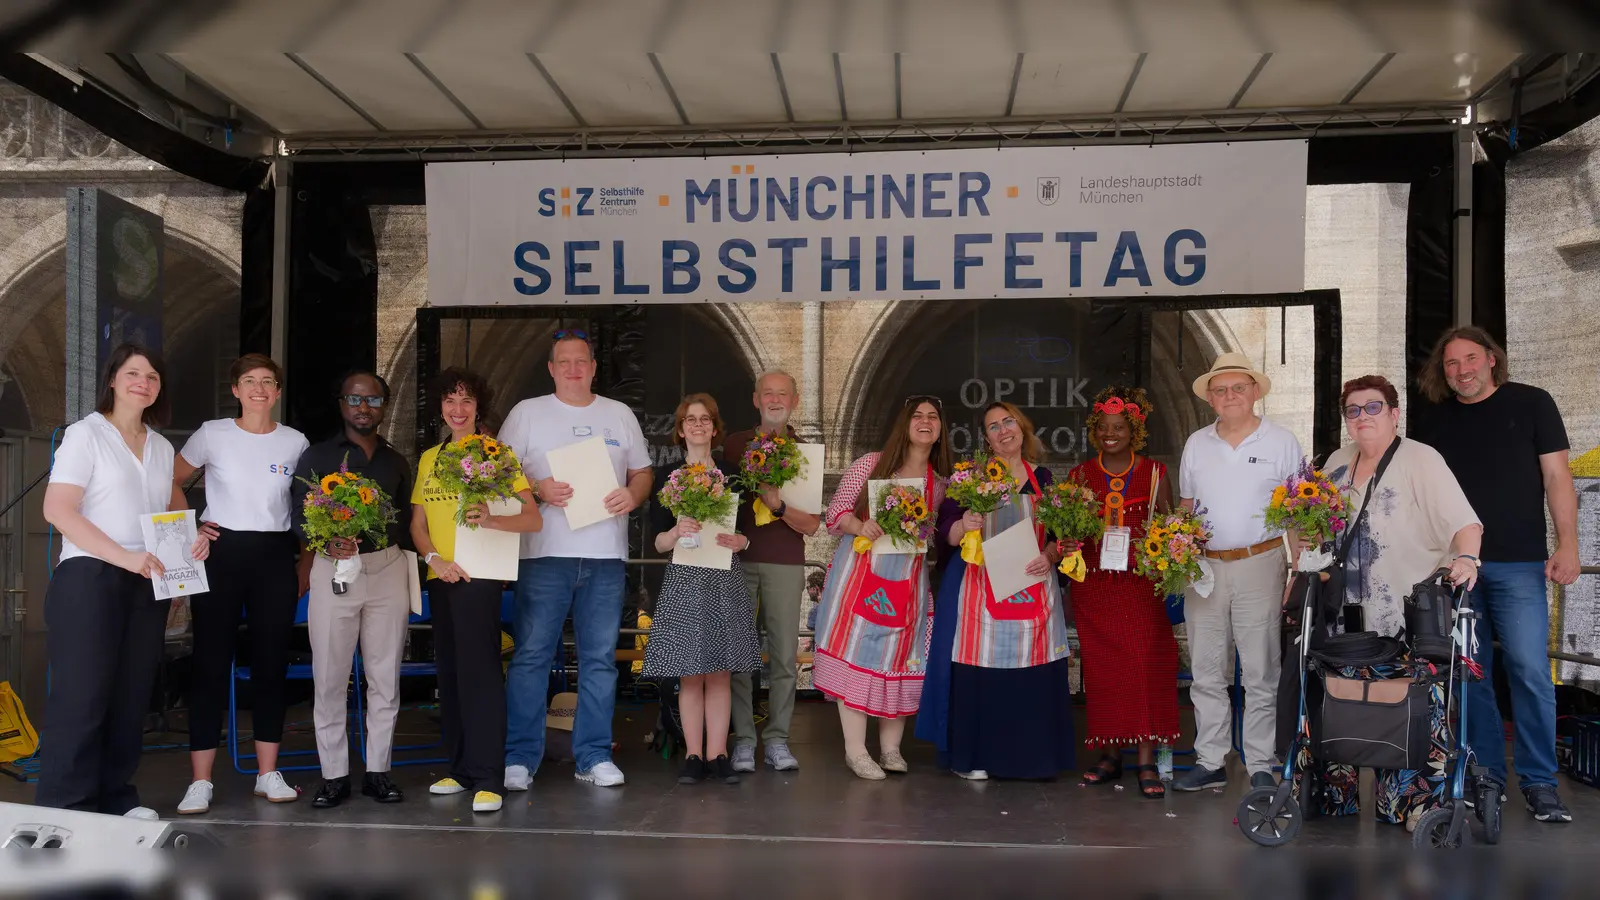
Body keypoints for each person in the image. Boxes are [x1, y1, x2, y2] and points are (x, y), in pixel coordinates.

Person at [1296, 374, 1482, 828]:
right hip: (1342, 620)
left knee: (1404, 710)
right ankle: (1333, 801)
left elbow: (1466, 523)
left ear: (1395, 413)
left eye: (1373, 407)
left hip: (1404, 619)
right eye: (1353, 410)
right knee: (1341, 704)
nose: (1363, 417)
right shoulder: (1335, 463)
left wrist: (1466, 559)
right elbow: (1315, 530)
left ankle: (1411, 809)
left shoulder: (1422, 460)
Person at [1414, 326, 1580, 823]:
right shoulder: (1433, 420)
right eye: (1450, 364)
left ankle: (1539, 783)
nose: (1461, 370)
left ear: (1491, 359)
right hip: (1455, 569)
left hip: (1519, 563)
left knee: (1530, 671)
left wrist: (1567, 544)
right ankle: (1484, 775)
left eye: (1470, 359)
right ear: (1441, 372)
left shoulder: (1533, 403)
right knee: (1469, 677)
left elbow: (1557, 477)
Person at [36, 344, 186, 820]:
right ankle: (66, 808)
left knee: (130, 696)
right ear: (113, 379)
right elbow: (57, 509)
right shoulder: (86, 435)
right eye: (133, 373)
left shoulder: (162, 448)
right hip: (90, 576)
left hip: (145, 581)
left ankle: (116, 798)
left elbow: (164, 518)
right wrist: (122, 556)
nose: (143, 382)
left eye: (153, 376)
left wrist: (189, 544)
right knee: (81, 698)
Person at [499, 330, 652, 790]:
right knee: (530, 657)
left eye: (580, 361)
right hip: (545, 555)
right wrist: (537, 489)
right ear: (551, 368)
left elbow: (642, 471)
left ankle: (593, 756)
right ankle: (520, 758)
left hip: (605, 556)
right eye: (563, 361)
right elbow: (499, 471)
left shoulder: (619, 414)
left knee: (600, 660)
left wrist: (633, 492)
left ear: (593, 367)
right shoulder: (527, 413)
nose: (572, 369)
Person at [172, 354, 310, 815]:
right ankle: (201, 780)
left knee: (272, 665)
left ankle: (267, 773)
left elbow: (311, 507)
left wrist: (306, 562)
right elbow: (171, 480)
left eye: (267, 381)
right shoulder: (213, 433)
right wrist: (188, 527)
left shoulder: (295, 442)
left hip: (274, 556)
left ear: (277, 391)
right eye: (248, 381)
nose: (258, 388)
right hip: (221, 553)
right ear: (235, 389)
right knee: (211, 664)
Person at [410, 368, 541, 814]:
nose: (458, 409)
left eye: (466, 400)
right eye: (450, 400)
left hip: (479, 576)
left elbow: (532, 518)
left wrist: (491, 518)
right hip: (440, 576)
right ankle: (460, 769)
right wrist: (434, 560)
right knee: (449, 674)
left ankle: (489, 777)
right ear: (440, 407)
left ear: (478, 406)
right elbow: (418, 523)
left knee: (481, 675)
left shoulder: (496, 453)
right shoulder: (430, 457)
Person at [922, 401, 1072, 781]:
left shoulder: (1044, 479)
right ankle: (975, 757)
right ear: (986, 439)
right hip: (977, 589)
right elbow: (945, 529)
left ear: (1022, 428)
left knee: (1031, 672)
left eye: (1009, 422)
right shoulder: (970, 478)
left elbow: (1060, 538)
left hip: (1032, 585)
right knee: (978, 671)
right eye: (993, 427)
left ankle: (1032, 759)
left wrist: (1051, 555)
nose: (1004, 430)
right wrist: (965, 523)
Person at [1174, 352, 1302, 793]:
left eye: (1238, 387)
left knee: (1261, 668)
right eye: (1221, 389)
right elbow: (1186, 510)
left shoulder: (1281, 442)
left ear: (1254, 392)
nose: (1229, 395)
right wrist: (1180, 556)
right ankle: (1210, 760)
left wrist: (1297, 569)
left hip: (1261, 563)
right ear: (1210, 397)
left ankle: (1261, 762)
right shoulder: (1196, 443)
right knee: (1207, 669)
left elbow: (1296, 512)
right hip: (1204, 567)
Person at [294, 371, 415, 809]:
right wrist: (325, 540)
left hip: (386, 570)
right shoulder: (316, 458)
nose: (364, 407)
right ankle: (334, 776)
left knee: (384, 677)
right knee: (329, 676)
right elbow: (297, 517)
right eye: (355, 399)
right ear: (341, 403)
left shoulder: (397, 461)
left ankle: (378, 772)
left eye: (373, 400)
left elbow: (407, 522)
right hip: (333, 571)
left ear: (383, 406)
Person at [814, 396, 950, 779]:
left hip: (909, 579)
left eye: (933, 417)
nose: (925, 422)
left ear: (940, 430)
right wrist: (861, 526)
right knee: (858, 652)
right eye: (917, 416)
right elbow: (835, 513)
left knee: (902, 657)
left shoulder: (938, 485)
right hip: (862, 573)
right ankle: (856, 751)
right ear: (904, 424)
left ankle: (891, 749)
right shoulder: (870, 464)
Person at [1067, 387, 1180, 799]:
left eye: (1119, 428)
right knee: (1105, 673)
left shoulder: (1154, 473)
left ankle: (1146, 758)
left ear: (1134, 432)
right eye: (1103, 427)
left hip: (1138, 587)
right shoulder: (1079, 475)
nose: (1110, 434)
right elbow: (1070, 531)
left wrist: (1175, 545)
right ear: (1094, 431)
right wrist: (1067, 542)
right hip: (1095, 588)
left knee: (1144, 667)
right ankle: (1110, 755)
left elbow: (1166, 527)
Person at [645, 394, 763, 785]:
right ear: (680, 430)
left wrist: (740, 543)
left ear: (715, 428)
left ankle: (719, 754)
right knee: (690, 674)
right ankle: (694, 753)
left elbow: (748, 534)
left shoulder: (733, 475)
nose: (698, 426)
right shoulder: (666, 478)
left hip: (724, 576)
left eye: (705, 419)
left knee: (721, 673)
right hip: (684, 578)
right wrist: (676, 531)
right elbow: (657, 542)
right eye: (690, 420)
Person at [721, 371, 821, 773]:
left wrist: (776, 505)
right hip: (737, 560)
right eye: (768, 393)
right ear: (755, 399)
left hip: (785, 561)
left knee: (782, 656)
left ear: (795, 401)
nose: (775, 399)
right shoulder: (733, 445)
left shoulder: (805, 453)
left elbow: (813, 525)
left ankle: (777, 739)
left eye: (783, 393)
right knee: (740, 654)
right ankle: (744, 740)